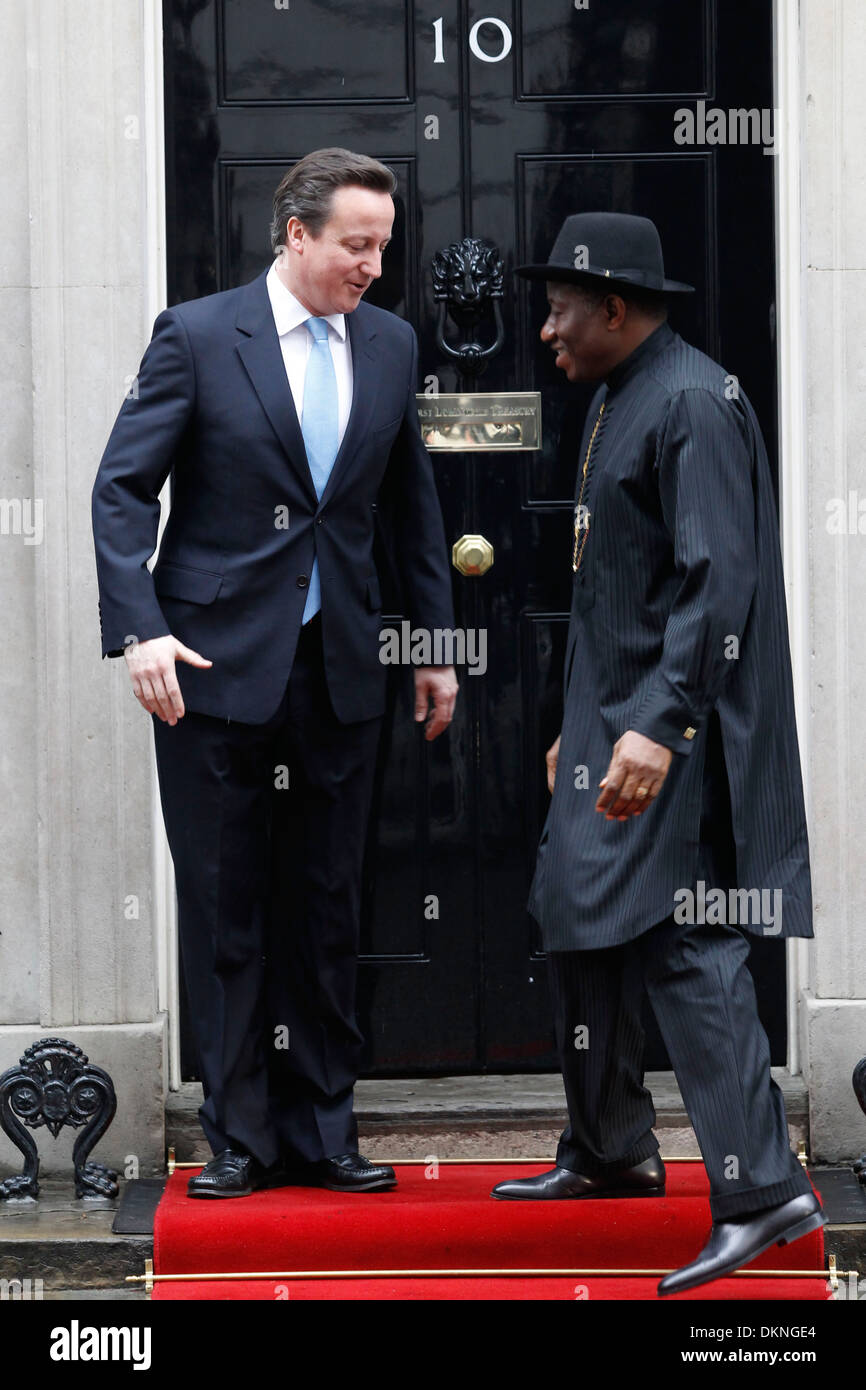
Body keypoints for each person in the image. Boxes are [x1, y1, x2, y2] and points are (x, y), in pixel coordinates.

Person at [92, 148, 458, 1199]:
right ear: (294, 235)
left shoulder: (388, 344)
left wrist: (433, 645)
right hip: (209, 671)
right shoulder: (198, 337)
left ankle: (323, 1127)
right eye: (355, 244)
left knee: (331, 901)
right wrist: (140, 628)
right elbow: (121, 491)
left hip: (340, 667)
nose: (373, 266)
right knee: (226, 907)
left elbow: (408, 506)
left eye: (381, 245)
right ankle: (240, 1135)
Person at [490, 212, 823, 1296]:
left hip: (672, 737)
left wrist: (654, 723)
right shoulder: (619, 395)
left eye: (558, 309)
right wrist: (577, 725)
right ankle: (608, 1147)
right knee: (575, 919)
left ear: (616, 309)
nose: (544, 329)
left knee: (686, 945)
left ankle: (760, 1189)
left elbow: (713, 584)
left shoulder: (689, 400)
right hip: (611, 725)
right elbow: (616, 587)